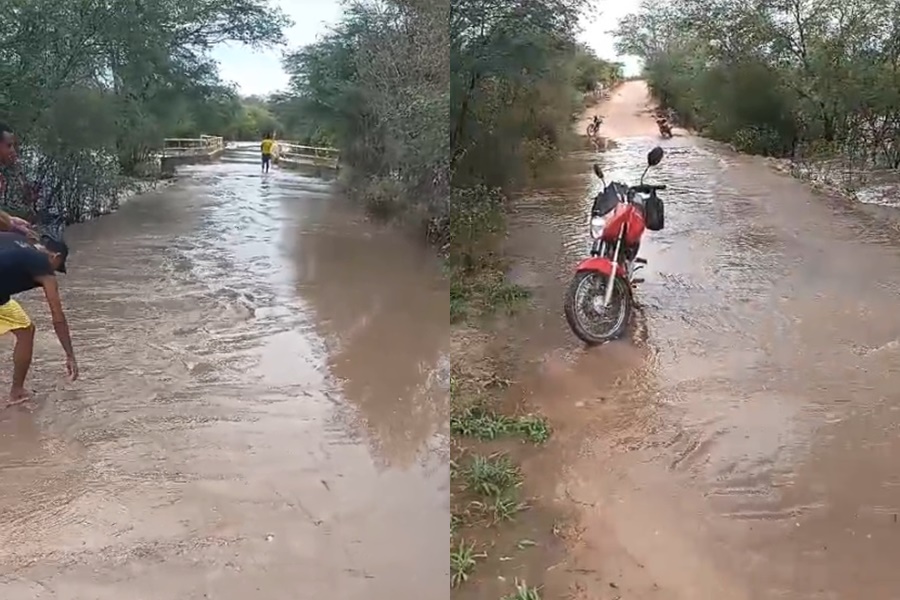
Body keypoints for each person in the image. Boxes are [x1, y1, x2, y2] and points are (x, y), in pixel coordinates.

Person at [0, 231, 77, 406]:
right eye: (58, 266)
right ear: (55, 256)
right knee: (26, 333)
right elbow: (58, 318)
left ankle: (17, 390)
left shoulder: (18, 239)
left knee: (26, 329)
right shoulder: (44, 267)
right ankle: (17, 392)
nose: (54, 272)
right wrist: (70, 355)